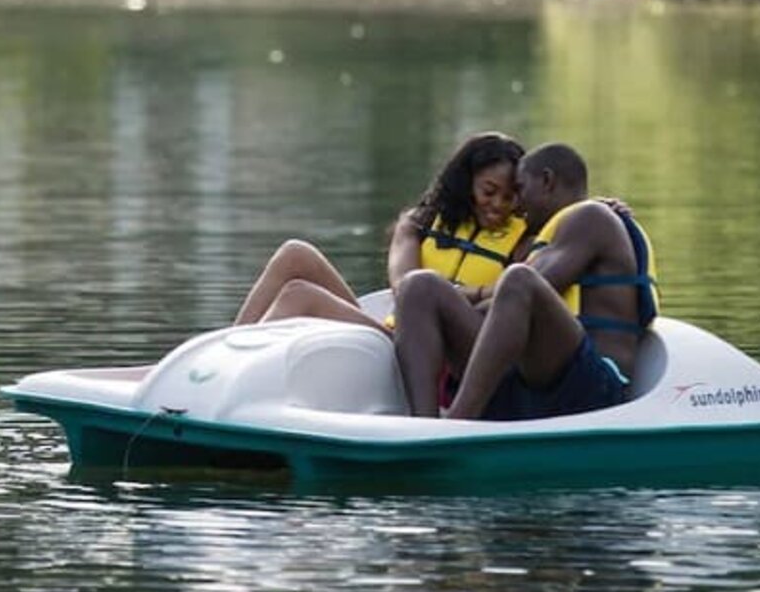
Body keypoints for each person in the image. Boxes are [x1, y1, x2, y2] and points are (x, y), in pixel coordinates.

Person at [392, 142, 656, 419]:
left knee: (518, 279)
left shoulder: (591, 218)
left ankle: (457, 422)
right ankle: (424, 426)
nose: (515, 206)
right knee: (418, 286)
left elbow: (518, 294)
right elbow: (502, 309)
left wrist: (460, 308)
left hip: (592, 387)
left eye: (519, 189)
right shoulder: (551, 235)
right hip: (532, 381)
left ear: (546, 180)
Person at [230, 132, 529, 333]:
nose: (498, 205)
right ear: (467, 183)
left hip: (429, 349)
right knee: (295, 254)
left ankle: (238, 374)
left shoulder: (521, 241)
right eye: (489, 192)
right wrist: (479, 292)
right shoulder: (417, 224)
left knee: (299, 296)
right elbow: (406, 289)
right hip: (392, 335)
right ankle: (226, 351)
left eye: (509, 196)